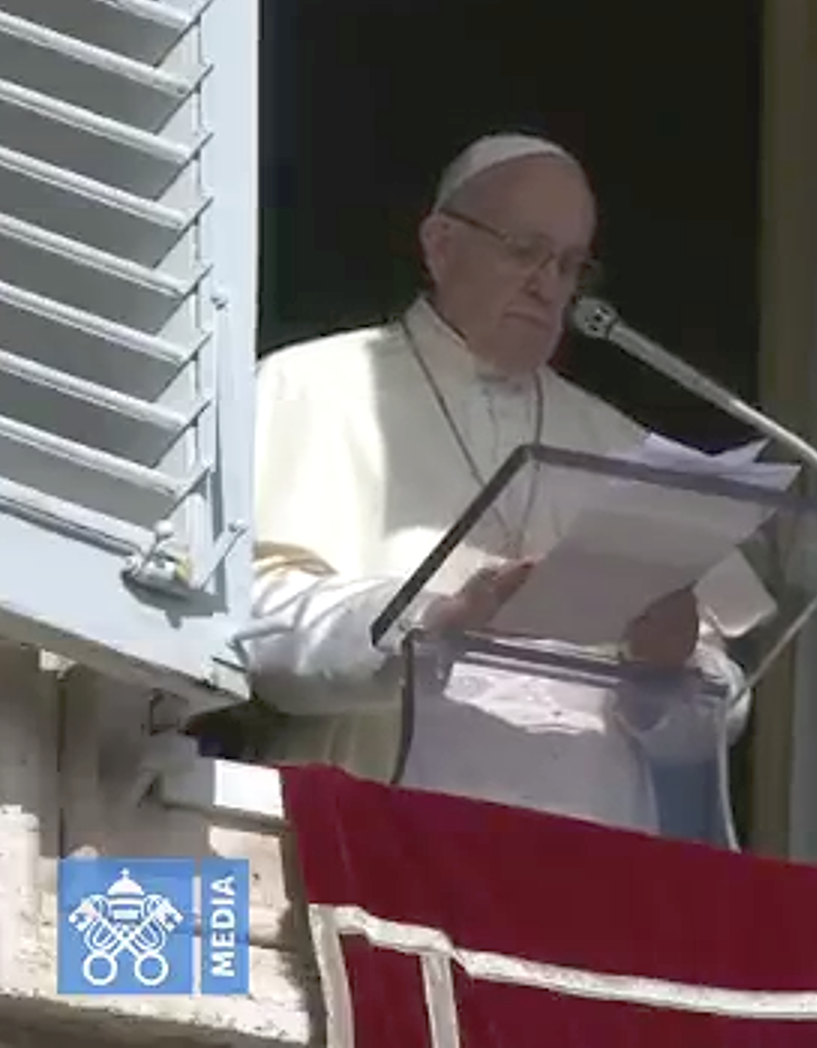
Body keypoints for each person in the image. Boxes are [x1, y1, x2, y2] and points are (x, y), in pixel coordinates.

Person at [232, 132, 750, 833]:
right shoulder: (311, 387)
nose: (549, 286)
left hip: (592, 849)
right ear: (440, 245)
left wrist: (668, 665)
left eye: (569, 265)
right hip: (385, 833)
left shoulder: (623, 447)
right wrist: (430, 624)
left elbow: (724, 709)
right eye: (525, 251)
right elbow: (254, 628)